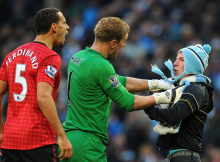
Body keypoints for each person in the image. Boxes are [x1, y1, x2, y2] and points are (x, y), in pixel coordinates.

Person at [59, 16, 179, 162]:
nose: (124, 45)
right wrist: (164, 97)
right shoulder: (101, 65)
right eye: (124, 40)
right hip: (88, 144)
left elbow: (118, 81)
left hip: (69, 138)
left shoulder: (77, 58)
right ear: (113, 42)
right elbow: (128, 102)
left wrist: (157, 84)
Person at [0, 8, 72, 162]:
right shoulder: (49, 57)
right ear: (53, 27)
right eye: (64, 23)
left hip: (10, 141)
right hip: (38, 141)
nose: (67, 27)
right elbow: (44, 97)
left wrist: (0, 131)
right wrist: (61, 135)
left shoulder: (11, 55)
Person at [144, 44, 214, 162]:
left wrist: (149, 108)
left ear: (193, 65)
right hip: (176, 156)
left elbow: (174, 115)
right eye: (176, 59)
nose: (175, 63)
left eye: (181, 59)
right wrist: (155, 89)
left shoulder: (196, 88)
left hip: (185, 157)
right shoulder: (184, 87)